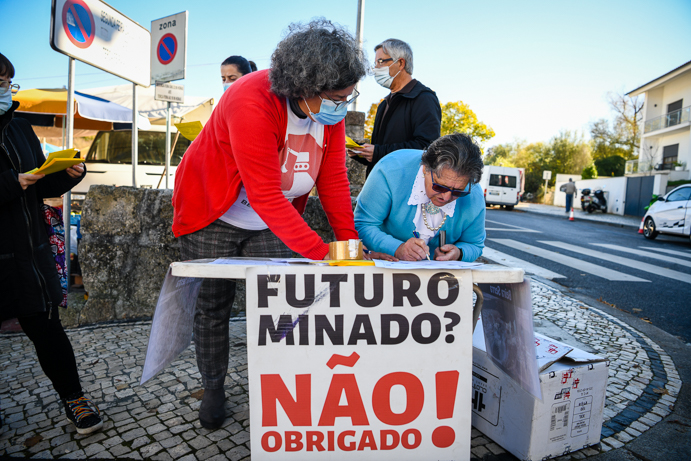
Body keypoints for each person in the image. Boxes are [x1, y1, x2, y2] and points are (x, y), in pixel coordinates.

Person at [172, 19, 368, 429]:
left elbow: (332, 181)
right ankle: (213, 386)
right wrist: (325, 253)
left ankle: (285, 388)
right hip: (215, 210)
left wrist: (348, 245)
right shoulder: (251, 98)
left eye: (349, 96)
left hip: (273, 220)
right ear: (304, 85)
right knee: (212, 305)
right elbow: (265, 195)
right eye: (336, 97)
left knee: (288, 305)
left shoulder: (328, 114)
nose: (343, 106)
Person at [0, 53, 102, 435]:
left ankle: (74, 398)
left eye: (7, 81)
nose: (5, 88)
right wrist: (14, 182)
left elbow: (40, 182)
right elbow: (19, 182)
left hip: (31, 254)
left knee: (48, 331)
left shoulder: (21, 128)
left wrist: (68, 175)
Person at [354, 133, 486, 262]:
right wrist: (397, 248)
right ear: (425, 169)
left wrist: (459, 253)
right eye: (440, 187)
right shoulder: (390, 169)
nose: (446, 197)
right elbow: (362, 224)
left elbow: (475, 244)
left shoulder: (474, 193)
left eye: (458, 192)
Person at [349, 38, 441, 177]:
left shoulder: (423, 98)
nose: (375, 68)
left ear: (400, 63)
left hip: (405, 187)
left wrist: (379, 151)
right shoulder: (384, 104)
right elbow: (381, 152)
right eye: (375, 63)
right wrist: (362, 153)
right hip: (381, 183)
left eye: (381, 62)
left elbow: (427, 148)